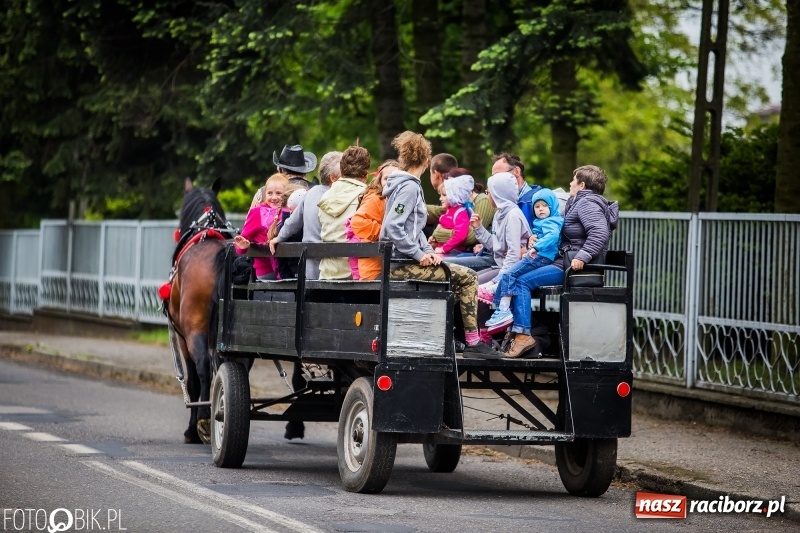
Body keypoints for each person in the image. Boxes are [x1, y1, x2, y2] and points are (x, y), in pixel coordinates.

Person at [380, 131, 500, 358]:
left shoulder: (402, 185)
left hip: (402, 259)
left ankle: (443, 337)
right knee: (469, 277)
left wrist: (427, 250)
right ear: (426, 162)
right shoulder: (409, 187)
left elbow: (412, 230)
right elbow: (393, 227)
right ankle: (473, 343)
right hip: (400, 264)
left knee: (455, 283)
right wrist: (419, 254)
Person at [501, 165, 619, 358]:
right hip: (565, 261)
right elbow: (561, 234)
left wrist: (582, 256)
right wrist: (534, 238)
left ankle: (523, 336)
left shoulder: (587, 203)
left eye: (573, 181)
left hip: (574, 266)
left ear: (582, 185)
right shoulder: (580, 202)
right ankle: (519, 329)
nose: (570, 184)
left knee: (521, 281)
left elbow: (599, 233)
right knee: (516, 276)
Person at [482, 187, 563, 333]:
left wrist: (536, 247)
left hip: (541, 257)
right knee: (512, 275)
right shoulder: (540, 222)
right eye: (537, 206)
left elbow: (553, 236)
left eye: (545, 206)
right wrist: (531, 241)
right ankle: (501, 305)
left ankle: (501, 306)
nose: (541, 209)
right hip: (536, 255)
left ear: (552, 206)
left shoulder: (552, 222)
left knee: (509, 274)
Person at [269, 151, 342, 279]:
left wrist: (278, 238)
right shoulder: (339, 196)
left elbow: (292, 222)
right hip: (334, 267)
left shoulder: (310, 193)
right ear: (333, 177)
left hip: (310, 268)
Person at [317, 145, 369, 280]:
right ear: (366, 174)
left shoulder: (326, 196)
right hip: (355, 276)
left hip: (327, 274)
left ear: (342, 169)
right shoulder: (368, 195)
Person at [348, 159, 399, 281]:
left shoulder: (398, 200)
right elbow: (358, 222)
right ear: (380, 181)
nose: (391, 182)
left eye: (395, 178)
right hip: (374, 270)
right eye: (387, 178)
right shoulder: (376, 198)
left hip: (388, 265)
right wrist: (385, 232)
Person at [234, 173, 288, 280]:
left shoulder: (290, 211)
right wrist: (242, 247)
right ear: (265, 194)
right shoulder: (257, 212)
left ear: (286, 194)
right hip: (267, 270)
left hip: (287, 267)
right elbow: (241, 240)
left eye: (278, 193)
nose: (274, 197)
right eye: (270, 193)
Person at [251, 144, 318, 207]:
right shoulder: (316, 191)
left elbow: (250, 217)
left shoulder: (263, 192)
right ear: (305, 172)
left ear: (280, 170)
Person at [490, 152, 542, 229]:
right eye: (493, 177)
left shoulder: (536, 202)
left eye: (498, 175)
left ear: (516, 172)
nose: (494, 181)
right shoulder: (502, 203)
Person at [431, 174, 474, 256]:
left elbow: (460, 235)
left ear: (454, 195)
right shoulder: (450, 210)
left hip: (454, 252)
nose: (440, 198)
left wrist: (444, 249)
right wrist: (434, 238)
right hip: (444, 250)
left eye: (444, 195)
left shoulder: (460, 213)